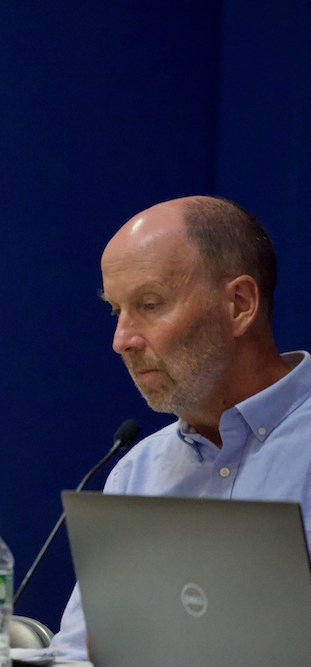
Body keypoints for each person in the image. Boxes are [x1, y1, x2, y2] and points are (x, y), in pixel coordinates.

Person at [51, 195, 311, 660]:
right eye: (116, 310)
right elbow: (76, 654)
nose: (122, 340)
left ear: (239, 303)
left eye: (149, 304)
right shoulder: (137, 471)